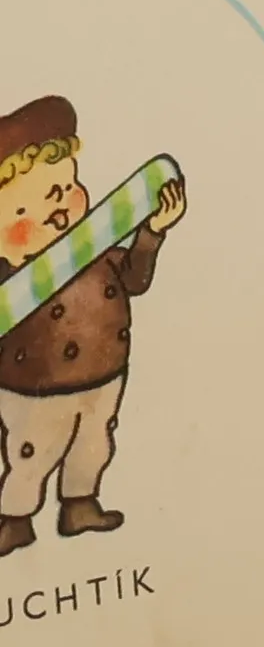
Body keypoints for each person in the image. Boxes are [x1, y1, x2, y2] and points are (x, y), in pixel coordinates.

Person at [0, 97, 186, 559]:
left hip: (102, 379)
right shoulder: (12, 285)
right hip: (32, 389)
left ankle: (79, 506)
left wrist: (151, 233)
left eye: (66, 188)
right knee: (30, 453)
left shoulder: (92, 253)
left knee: (93, 443)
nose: (58, 208)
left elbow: (135, 280)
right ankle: (15, 519)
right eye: (26, 211)